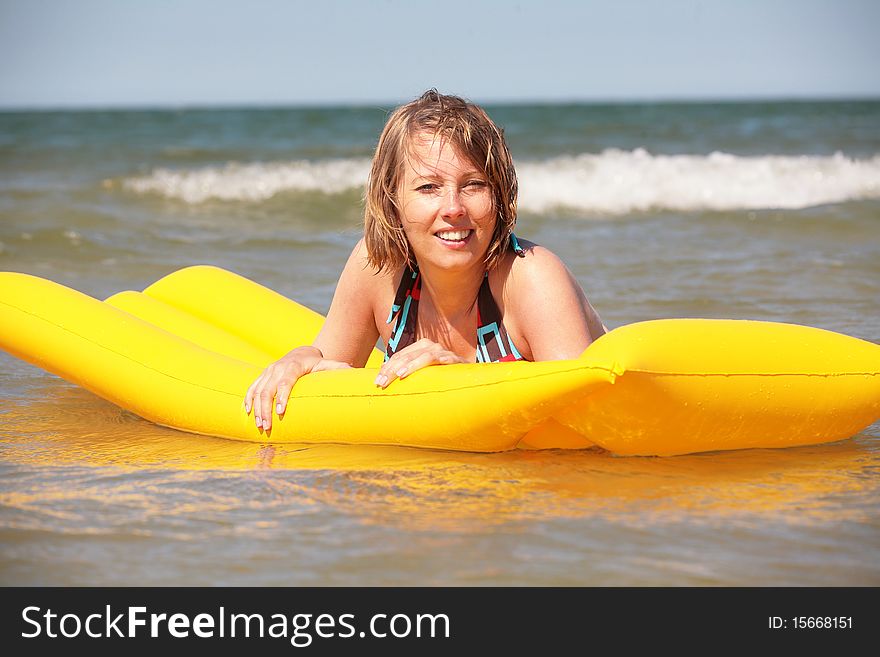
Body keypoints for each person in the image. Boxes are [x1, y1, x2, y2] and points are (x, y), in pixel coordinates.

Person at [244, 90, 606, 431]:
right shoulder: (379, 267)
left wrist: (459, 374)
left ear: (500, 194)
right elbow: (330, 361)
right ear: (391, 199)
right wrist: (300, 358)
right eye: (428, 187)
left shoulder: (532, 277)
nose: (453, 208)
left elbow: (584, 425)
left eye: (474, 184)